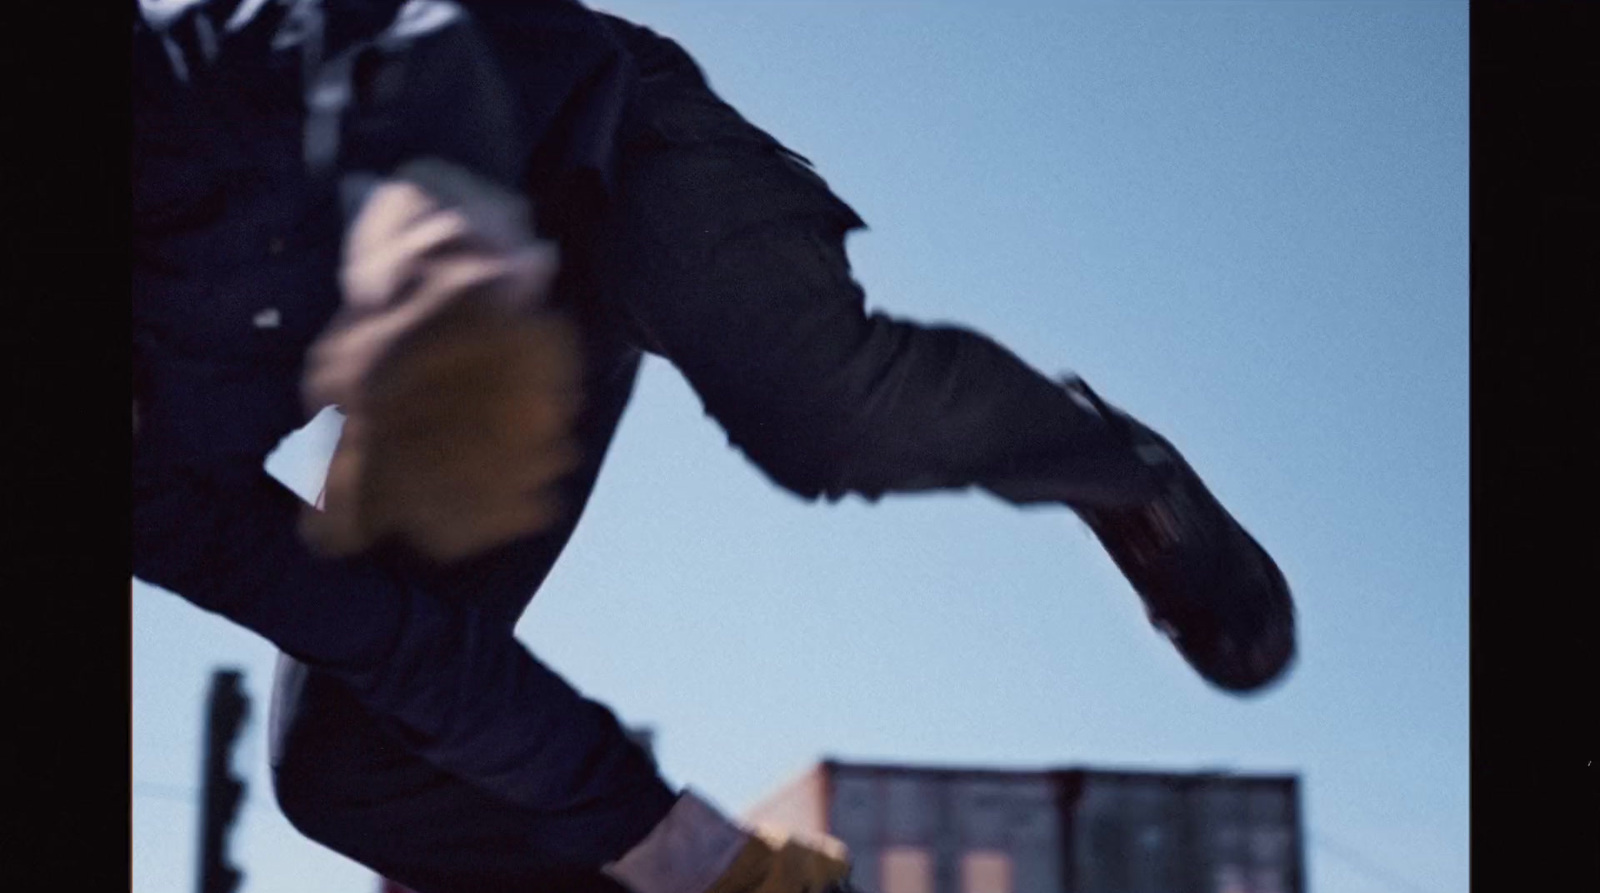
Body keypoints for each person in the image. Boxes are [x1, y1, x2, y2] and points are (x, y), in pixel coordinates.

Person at [131, 2, 1296, 892]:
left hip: (605, 143)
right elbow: (385, 634)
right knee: (342, 770)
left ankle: (1123, 472)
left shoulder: (152, 101)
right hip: (459, 344)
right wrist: (686, 852)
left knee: (816, 415)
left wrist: (439, 245)